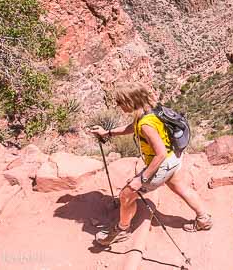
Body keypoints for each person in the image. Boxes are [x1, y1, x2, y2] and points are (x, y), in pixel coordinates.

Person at [89, 82, 212, 246]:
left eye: (120, 102)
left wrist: (141, 179)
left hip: (163, 163)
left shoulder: (145, 124)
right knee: (180, 187)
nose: (118, 105)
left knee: (126, 195)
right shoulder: (149, 112)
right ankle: (204, 219)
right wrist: (108, 133)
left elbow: (159, 153)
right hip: (174, 157)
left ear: (130, 100)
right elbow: (133, 128)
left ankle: (123, 230)